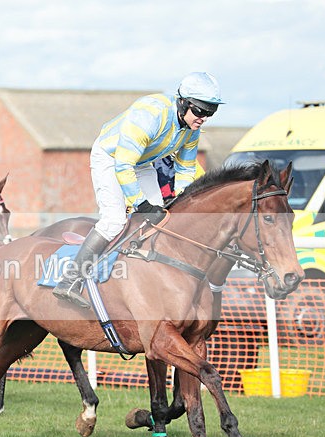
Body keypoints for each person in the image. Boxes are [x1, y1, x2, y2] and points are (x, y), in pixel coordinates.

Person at [53, 72, 224, 308]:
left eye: (211, 112)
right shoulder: (150, 115)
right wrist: (141, 204)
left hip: (142, 163)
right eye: (201, 111)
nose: (204, 117)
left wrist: (183, 201)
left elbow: (185, 169)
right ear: (183, 103)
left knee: (163, 219)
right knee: (114, 220)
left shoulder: (191, 130)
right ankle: (69, 280)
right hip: (112, 158)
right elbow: (123, 165)